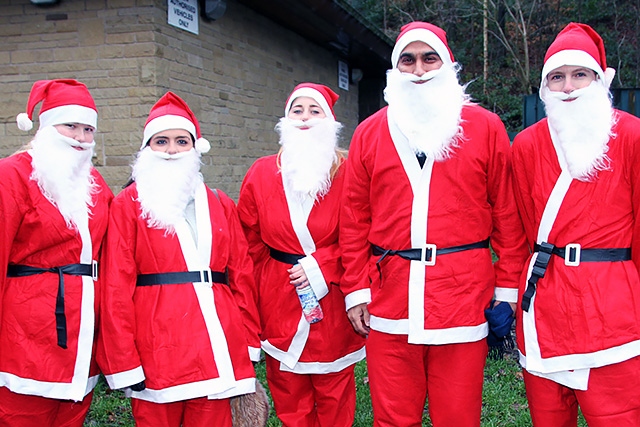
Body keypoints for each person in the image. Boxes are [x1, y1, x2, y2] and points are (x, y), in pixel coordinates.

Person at [339, 22, 529, 427]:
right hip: (389, 297)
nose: (419, 69)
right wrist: (355, 289)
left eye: (430, 58)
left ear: (447, 65)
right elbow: (353, 217)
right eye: (408, 59)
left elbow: (507, 216)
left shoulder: (485, 127)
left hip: (462, 296)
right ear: (395, 69)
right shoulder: (370, 133)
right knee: (393, 417)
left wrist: (507, 287)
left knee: (457, 417)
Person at [97, 92, 262, 427]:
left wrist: (248, 341)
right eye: (161, 141)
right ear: (147, 148)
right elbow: (116, 285)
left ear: (195, 147)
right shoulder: (128, 204)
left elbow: (241, 277)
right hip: (157, 346)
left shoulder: (220, 203)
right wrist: (123, 359)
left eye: (180, 141)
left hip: (217, 343)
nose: (171, 150)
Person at [511, 22, 640, 426]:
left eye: (579, 74)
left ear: (600, 80)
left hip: (611, 306)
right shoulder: (527, 144)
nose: (568, 86)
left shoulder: (632, 136)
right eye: (557, 77)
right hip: (544, 302)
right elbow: (520, 230)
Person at [237, 83, 366, 427]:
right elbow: (247, 245)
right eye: (298, 110)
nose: (305, 118)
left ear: (330, 121)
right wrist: (256, 300)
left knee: (334, 395)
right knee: (289, 396)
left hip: (334, 301)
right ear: (285, 119)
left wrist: (322, 266)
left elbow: (363, 233)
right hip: (278, 298)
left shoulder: (350, 171)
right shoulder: (261, 173)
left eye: (315, 110)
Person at [0, 79, 113, 426]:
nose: (80, 138)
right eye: (70, 126)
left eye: (88, 130)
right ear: (47, 126)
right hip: (26, 333)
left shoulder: (96, 185)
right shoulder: (12, 175)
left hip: (82, 334)